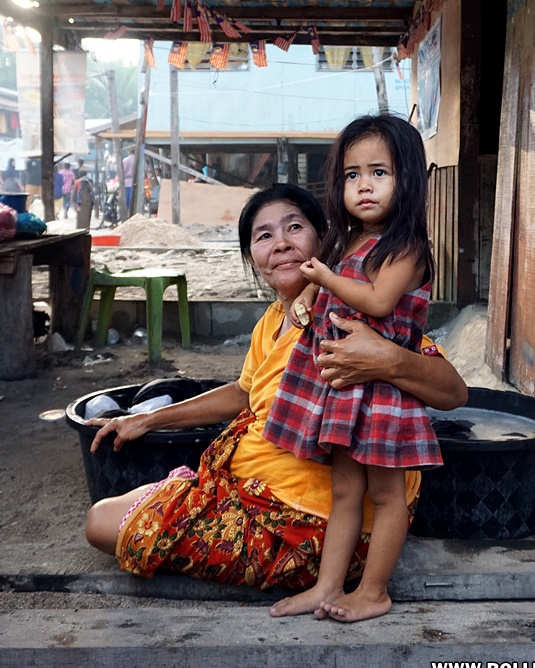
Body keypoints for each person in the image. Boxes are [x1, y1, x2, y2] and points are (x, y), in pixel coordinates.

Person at [84, 184, 467, 601]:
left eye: (295, 227)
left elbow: (453, 391)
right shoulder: (270, 322)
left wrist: (389, 359)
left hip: (310, 520)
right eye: (264, 236)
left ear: (325, 241)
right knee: (121, 504)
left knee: (102, 523)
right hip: (248, 485)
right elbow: (245, 393)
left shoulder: (350, 316)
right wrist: (148, 418)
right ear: (253, 259)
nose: (281, 244)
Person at [263, 115, 440, 622]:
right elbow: (326, 283)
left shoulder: (405, 247)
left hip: (383, 388)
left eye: (379, 172)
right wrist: (308, 295)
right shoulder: (348, 243)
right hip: (343, 387)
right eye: (351, 175)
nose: (363, 185)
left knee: (387, 496)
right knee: (345, 490)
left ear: (408, 179)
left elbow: (380, 302)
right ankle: (327, 586)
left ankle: (374, 590)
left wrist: (321, 278)